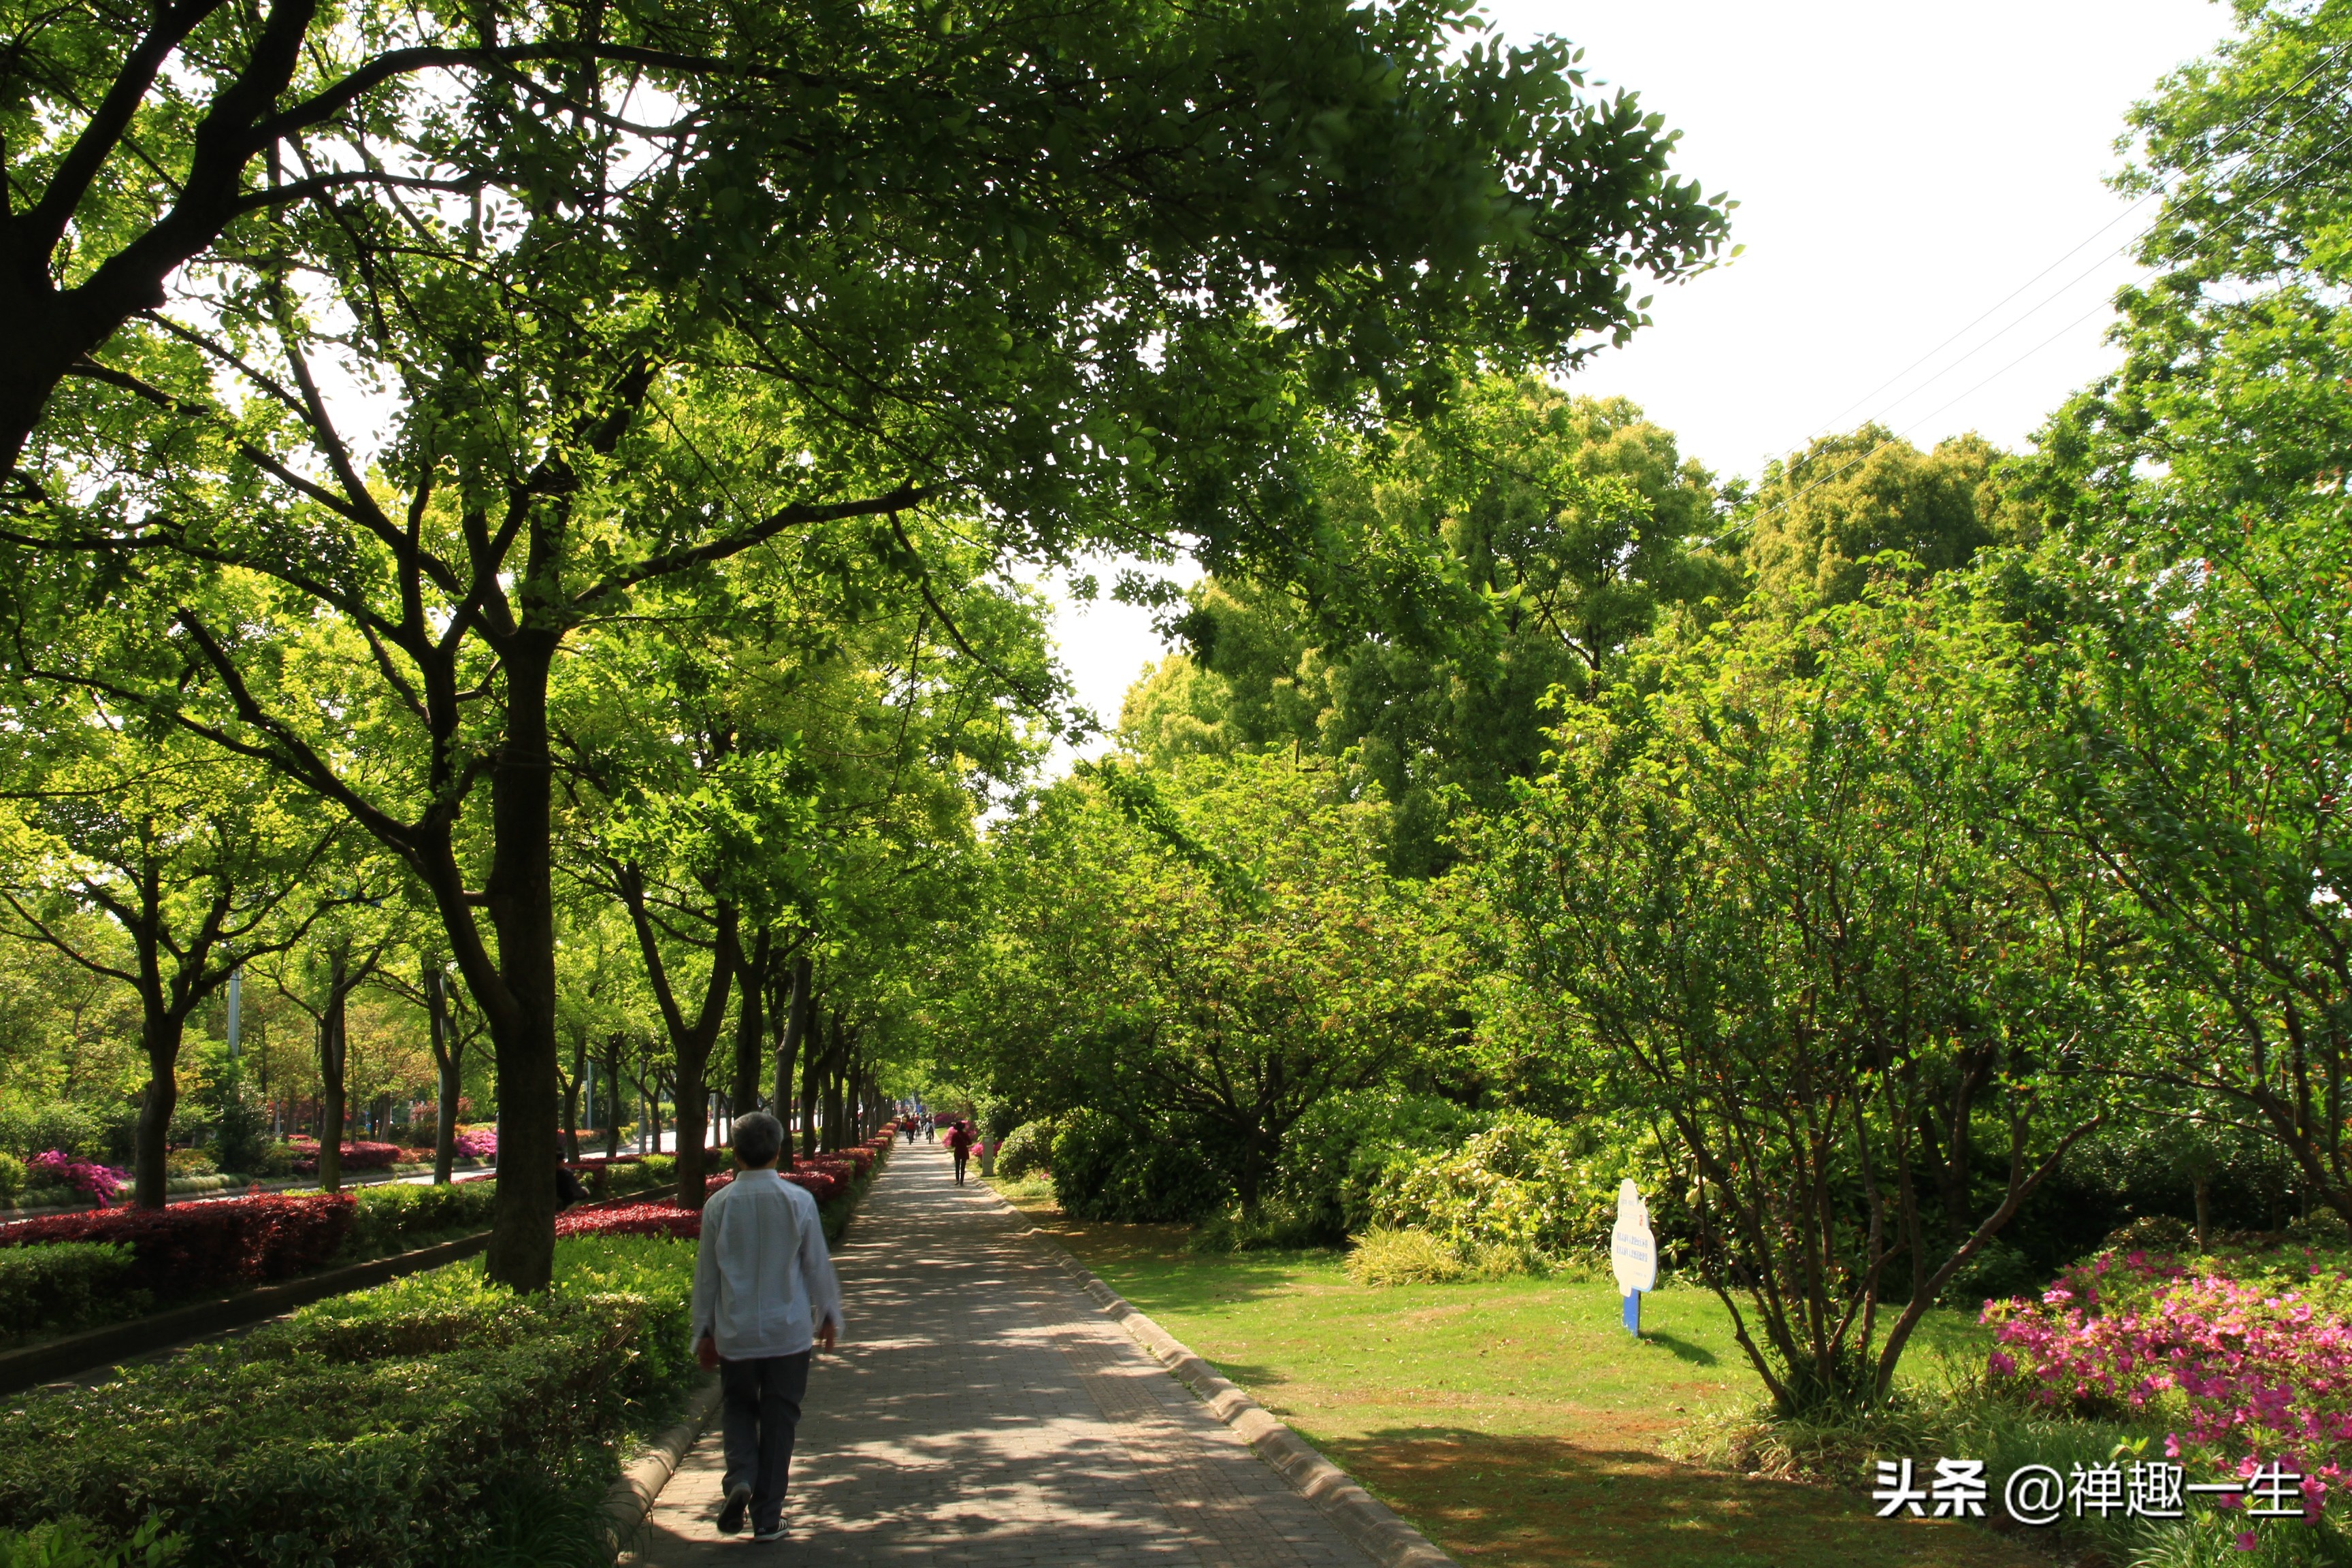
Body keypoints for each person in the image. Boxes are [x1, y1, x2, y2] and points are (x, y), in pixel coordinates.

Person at [691, 1111, 843, 1544]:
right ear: (779, 1150)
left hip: (735, 1332)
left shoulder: (718, 1205)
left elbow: (707, 1276)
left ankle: (740, 1475)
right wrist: (828, 1315)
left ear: (734, 1153)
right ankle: (767, 1517)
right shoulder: (797, 1201)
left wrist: (703, 1330)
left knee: (738, 1407)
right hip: (788, 1332)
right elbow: (816, 1265)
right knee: (780, 1419)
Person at [945, 1118, 975, 1186]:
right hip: (964, 1151)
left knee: (957, 1166)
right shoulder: (965, 1134)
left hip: (958, 1151)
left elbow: (952, 1145)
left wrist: (957, 1144)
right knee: (963, 1167)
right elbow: (970, 1143)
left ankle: (957, 1180)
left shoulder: (955, 1135)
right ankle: (962, 1181)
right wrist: (965, 1144)